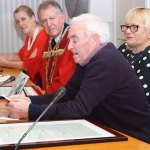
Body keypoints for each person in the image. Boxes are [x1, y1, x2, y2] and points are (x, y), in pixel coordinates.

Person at [6, 13, 150, 143]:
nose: (69, 47)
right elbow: (66, 94)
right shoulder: (89, 58)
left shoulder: (105, 61)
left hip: (133, 138)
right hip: (107, 130)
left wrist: (30, 110)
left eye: (74, 40)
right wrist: (30, 100)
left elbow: (79, 109)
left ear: (94, 39)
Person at [0, 5, 49, 84]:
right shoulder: (29, 36)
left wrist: (5, 63)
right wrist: (2, 56)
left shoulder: (43, 36)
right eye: (17, 21)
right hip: (29, 78)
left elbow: (28, 66)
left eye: (23, 19)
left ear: (33, 18)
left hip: (40, 83)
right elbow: (20, 55)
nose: (20, 24)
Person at [36, 0, 76, 93]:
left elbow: (64, 79)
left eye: (52, 18)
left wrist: (44, 96)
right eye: (44, 21)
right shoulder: (49, 40)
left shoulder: (72, 39)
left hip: (65, 99)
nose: (49, 24)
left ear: (62, 17)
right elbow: (42, 70)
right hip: (49, 96)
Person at [118, 7, 150, 105]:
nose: (127, 31)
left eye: (134, 27)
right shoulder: (124, 48)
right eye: (126, 26)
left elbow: (139, 96)